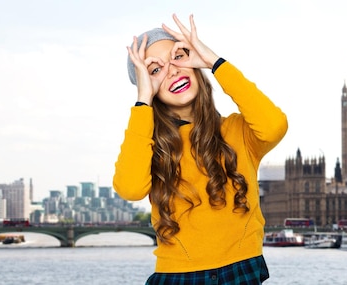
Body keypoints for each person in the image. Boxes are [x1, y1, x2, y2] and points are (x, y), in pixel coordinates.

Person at [113, 14, 288, 284]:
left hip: (240, 271)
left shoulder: (239, 131)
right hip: (178, 276)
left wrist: (214, 61)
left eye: (178, 56)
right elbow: (130, 188)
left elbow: (274, 125)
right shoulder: (150, 149)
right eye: (155, 70)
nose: (171, 70)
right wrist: (143, 100)